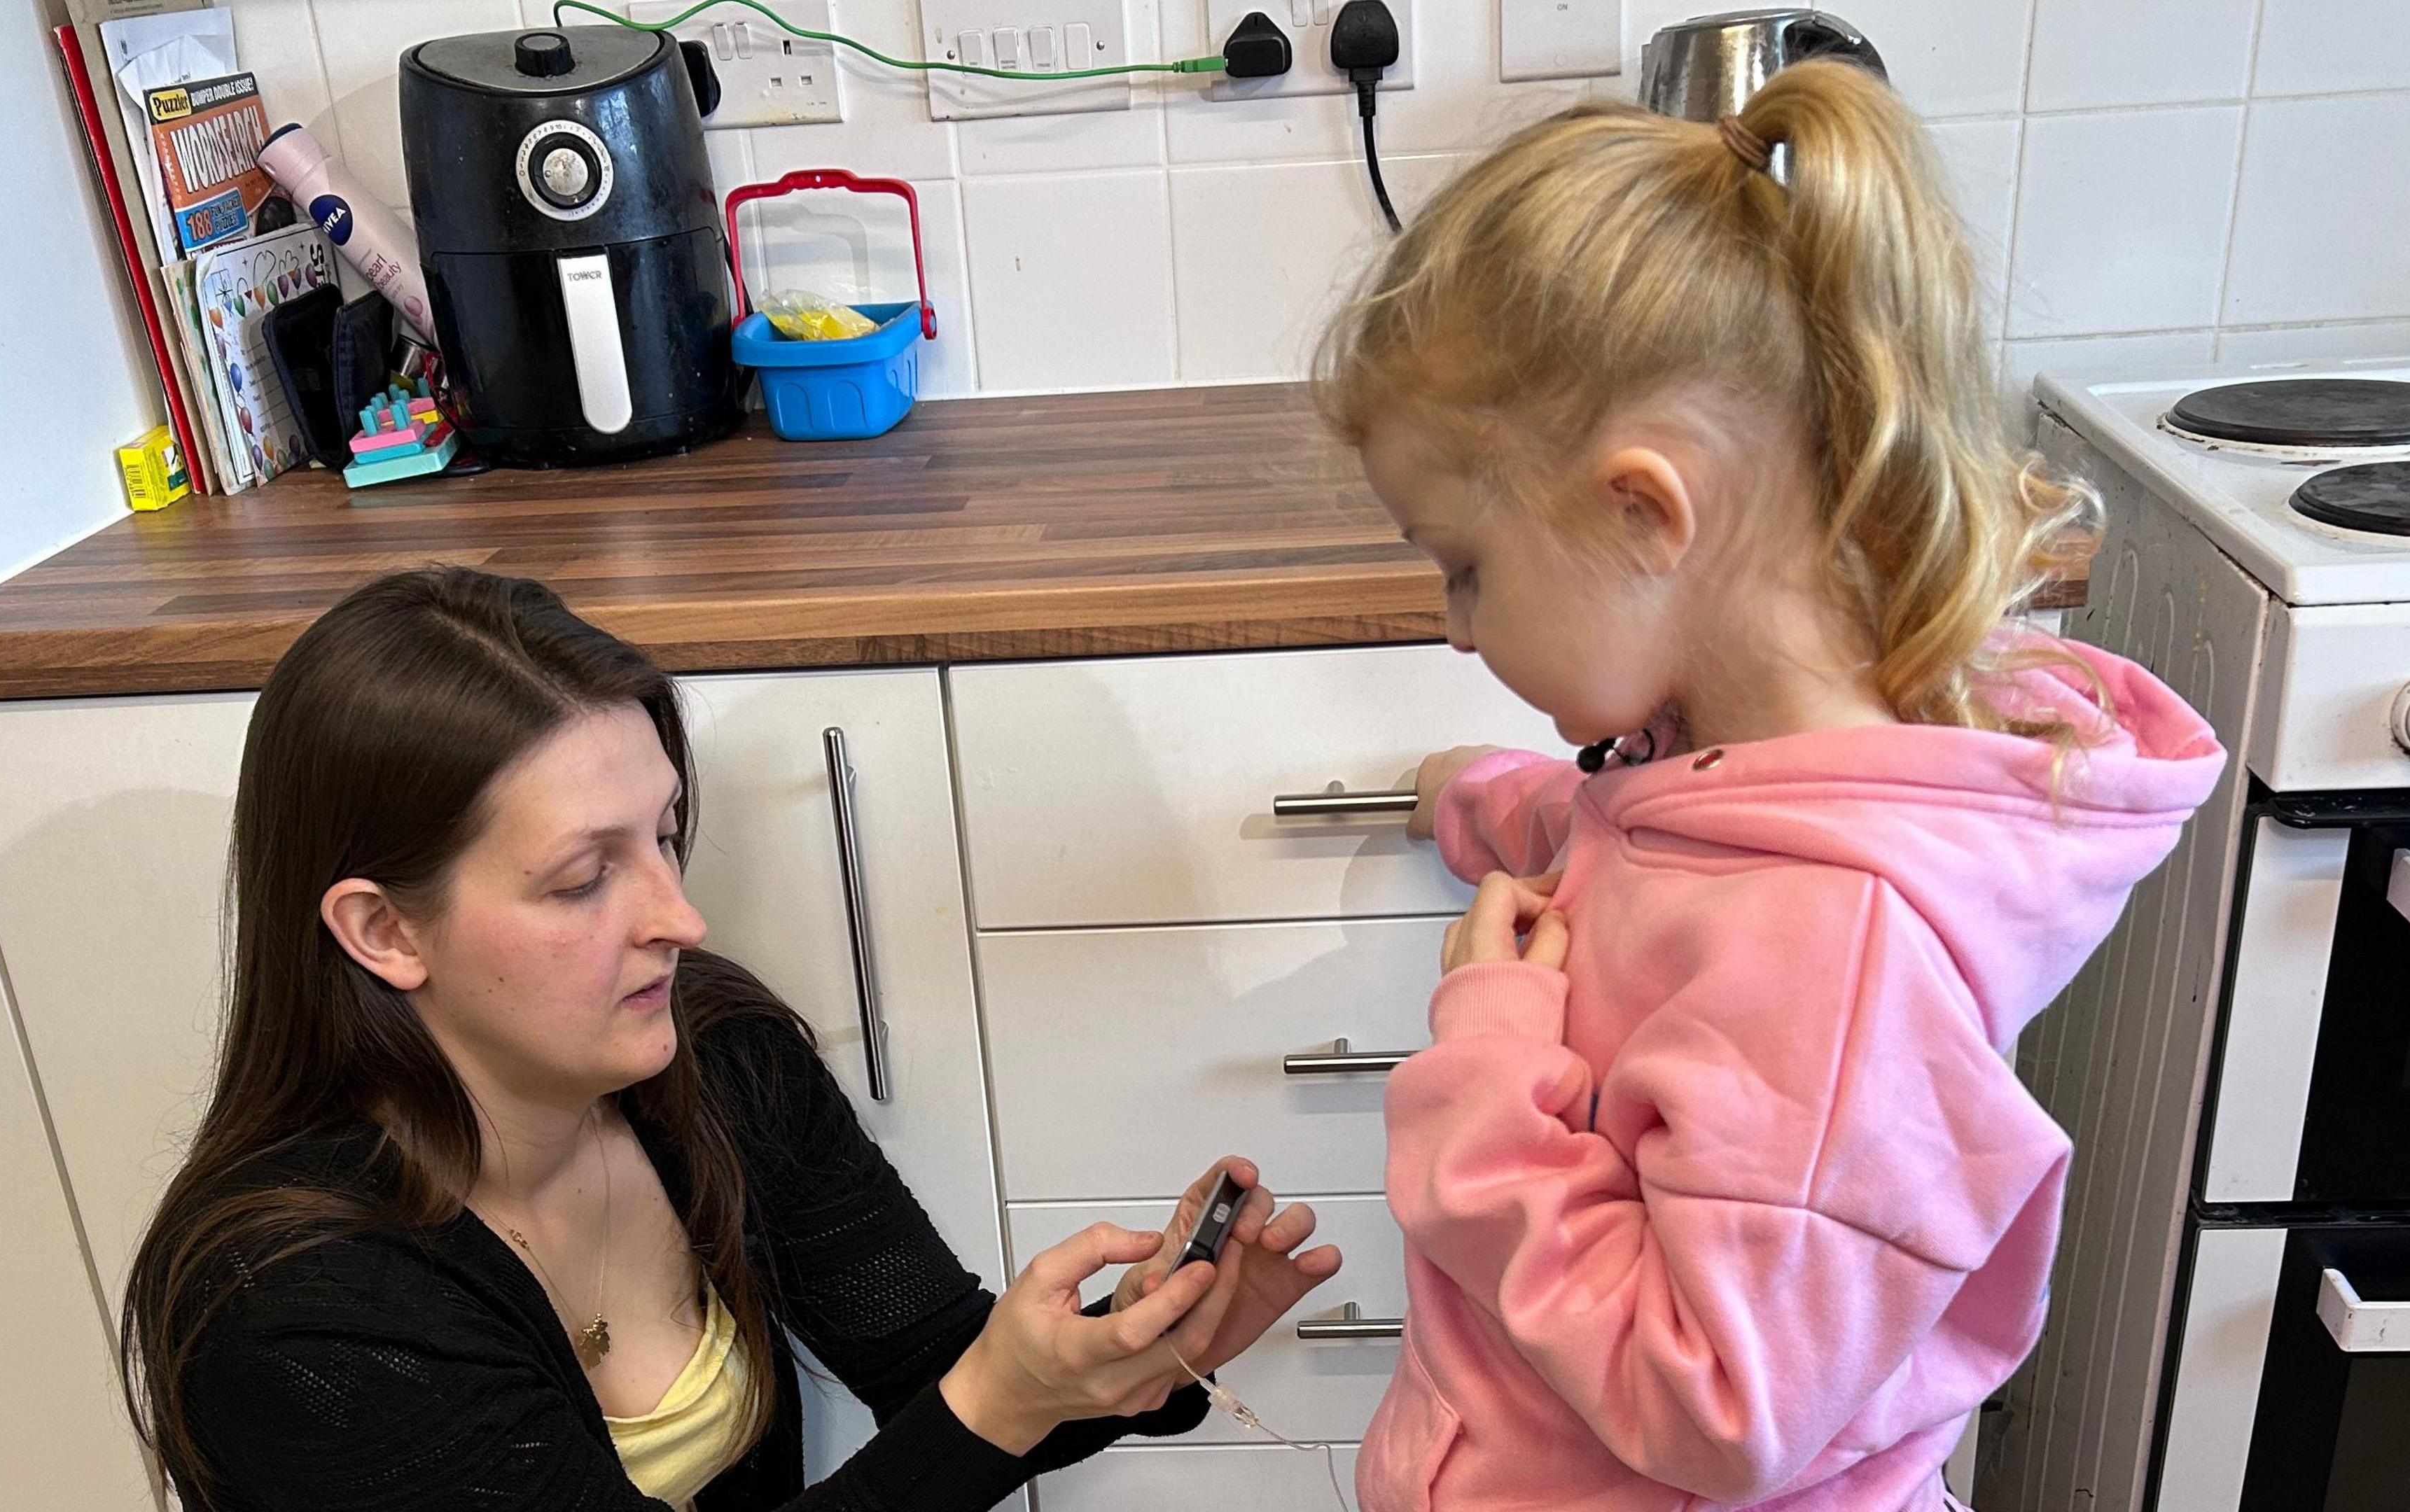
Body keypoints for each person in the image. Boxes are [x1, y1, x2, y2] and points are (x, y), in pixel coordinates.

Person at [1313, 62, 2225, 1512]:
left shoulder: (1837, 957)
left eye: (1463, 565)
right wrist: (1497, 800)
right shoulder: (1751, 775)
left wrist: (1484, 1083)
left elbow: (1715, 1405)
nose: (1459, 625)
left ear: (1641, 511)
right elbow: (1658, 851)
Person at [118, 566, 1342, 1512]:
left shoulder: (718, 1059)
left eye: (664, 835)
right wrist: (994, 1404)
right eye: (583, 878)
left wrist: (1142, 1346)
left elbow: (935, 1364)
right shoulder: (295, 1315)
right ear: (385, 929)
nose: (679, 918)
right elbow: (968, 1416)